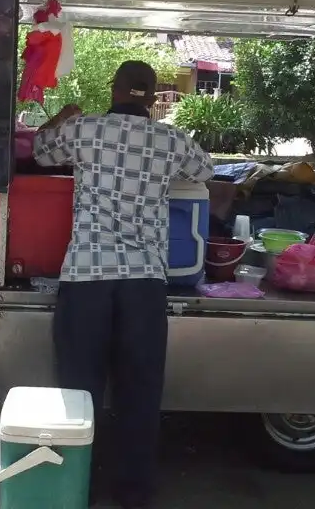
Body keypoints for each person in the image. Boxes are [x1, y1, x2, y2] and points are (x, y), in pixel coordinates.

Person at [32, 60, 214, 509]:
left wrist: (62, 116)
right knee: (139, 391)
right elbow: (206, 171)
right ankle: (133, 493)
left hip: (87, 278)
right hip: (144, 282)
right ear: (152, 97)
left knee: (79, 390)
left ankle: (79, 487)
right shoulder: (171, 139)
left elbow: (38, 151)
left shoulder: (84, 130)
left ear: (113, 88)